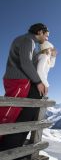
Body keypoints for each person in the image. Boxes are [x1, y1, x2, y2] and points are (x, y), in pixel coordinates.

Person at [0, 23, 50, 157]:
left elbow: (30, 60)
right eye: (46, 35)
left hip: (18, 80)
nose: (46, 38)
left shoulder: (27, 41)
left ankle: (9, 144)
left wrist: (45, 54)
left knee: (13, 112)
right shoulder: (28, 40)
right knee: (9, 112)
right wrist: (38, 82)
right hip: (18, 80)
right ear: (40, 32)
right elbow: (26, 63)